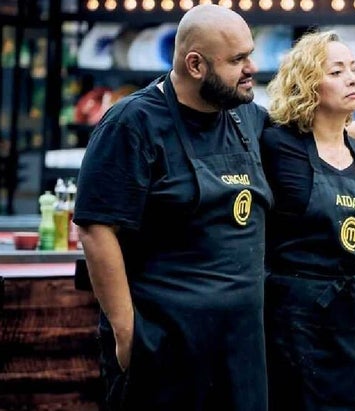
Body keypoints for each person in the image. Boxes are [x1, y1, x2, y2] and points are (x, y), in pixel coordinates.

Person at [73, 5, 272, 410]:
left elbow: (306, 142)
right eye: (237, 60)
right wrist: (126, 333)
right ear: (195, 64)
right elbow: (96, 228)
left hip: (241, 348)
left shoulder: (247, 117)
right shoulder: (132, 123)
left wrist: (351, 134)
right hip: (164, 346)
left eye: (249, 55)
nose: (251, 68)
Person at [261, 30, 355, 410]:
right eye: (336, 72)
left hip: (354, 318)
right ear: (306, 84)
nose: (352, 79)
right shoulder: (278, 145)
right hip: (298, 321)